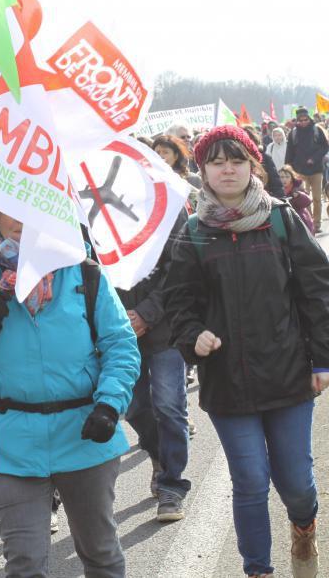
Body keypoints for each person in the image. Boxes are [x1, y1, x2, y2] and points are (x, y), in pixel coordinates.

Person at [166, 126, 329, 578]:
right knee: (248, 481)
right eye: (216, 162)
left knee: (296, 485)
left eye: (236, 161)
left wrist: (326, 359)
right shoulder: (194, 232)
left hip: (289, 377)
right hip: (227, 383)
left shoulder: (282, 220)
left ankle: (303, 526)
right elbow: (178, 304)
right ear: (203, 171)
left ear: (253, 167)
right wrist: (193, 337)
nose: (227, 170)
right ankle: (258, 570)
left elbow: (319, 292)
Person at [0, 206, 139, 577]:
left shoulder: (86, 273)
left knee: (101, 553)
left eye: (29, 205)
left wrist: (109, 405)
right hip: (13, 444)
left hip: (86, 435)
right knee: (24, 565)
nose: (19, 218)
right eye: (7, 208)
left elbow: (121, 344)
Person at [119, 207, 192, 523]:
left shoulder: (167, 200)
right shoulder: (92, 201)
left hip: (166, 328)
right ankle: (159, 455)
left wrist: (146, 314)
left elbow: (180, 267)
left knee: (168, 406)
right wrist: (120, 316)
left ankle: (172, 486)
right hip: (117, 327)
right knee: (132, 406)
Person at [285, 108, 329, 233]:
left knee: (316, 198)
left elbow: (325, 147)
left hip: (316, 170)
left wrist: (314, 158)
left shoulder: (317, 130)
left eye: (305, 119)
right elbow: (289, 153)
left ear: (309, 118)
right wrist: (287, 169)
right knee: (304, 199)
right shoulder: (293, 133)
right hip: (300, 171)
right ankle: (308, 222)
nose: (303, 122)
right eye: (300, 120)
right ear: (297, 121)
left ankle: (317, 224)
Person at [278, 166, 316, 234]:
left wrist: (299, 195)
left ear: (291, 178)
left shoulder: (297, 189)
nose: (284, 179)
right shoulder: (276, 190)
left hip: (300, 219)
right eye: (281, 177)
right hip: (284, 220)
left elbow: (307, 201)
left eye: (287, 177)